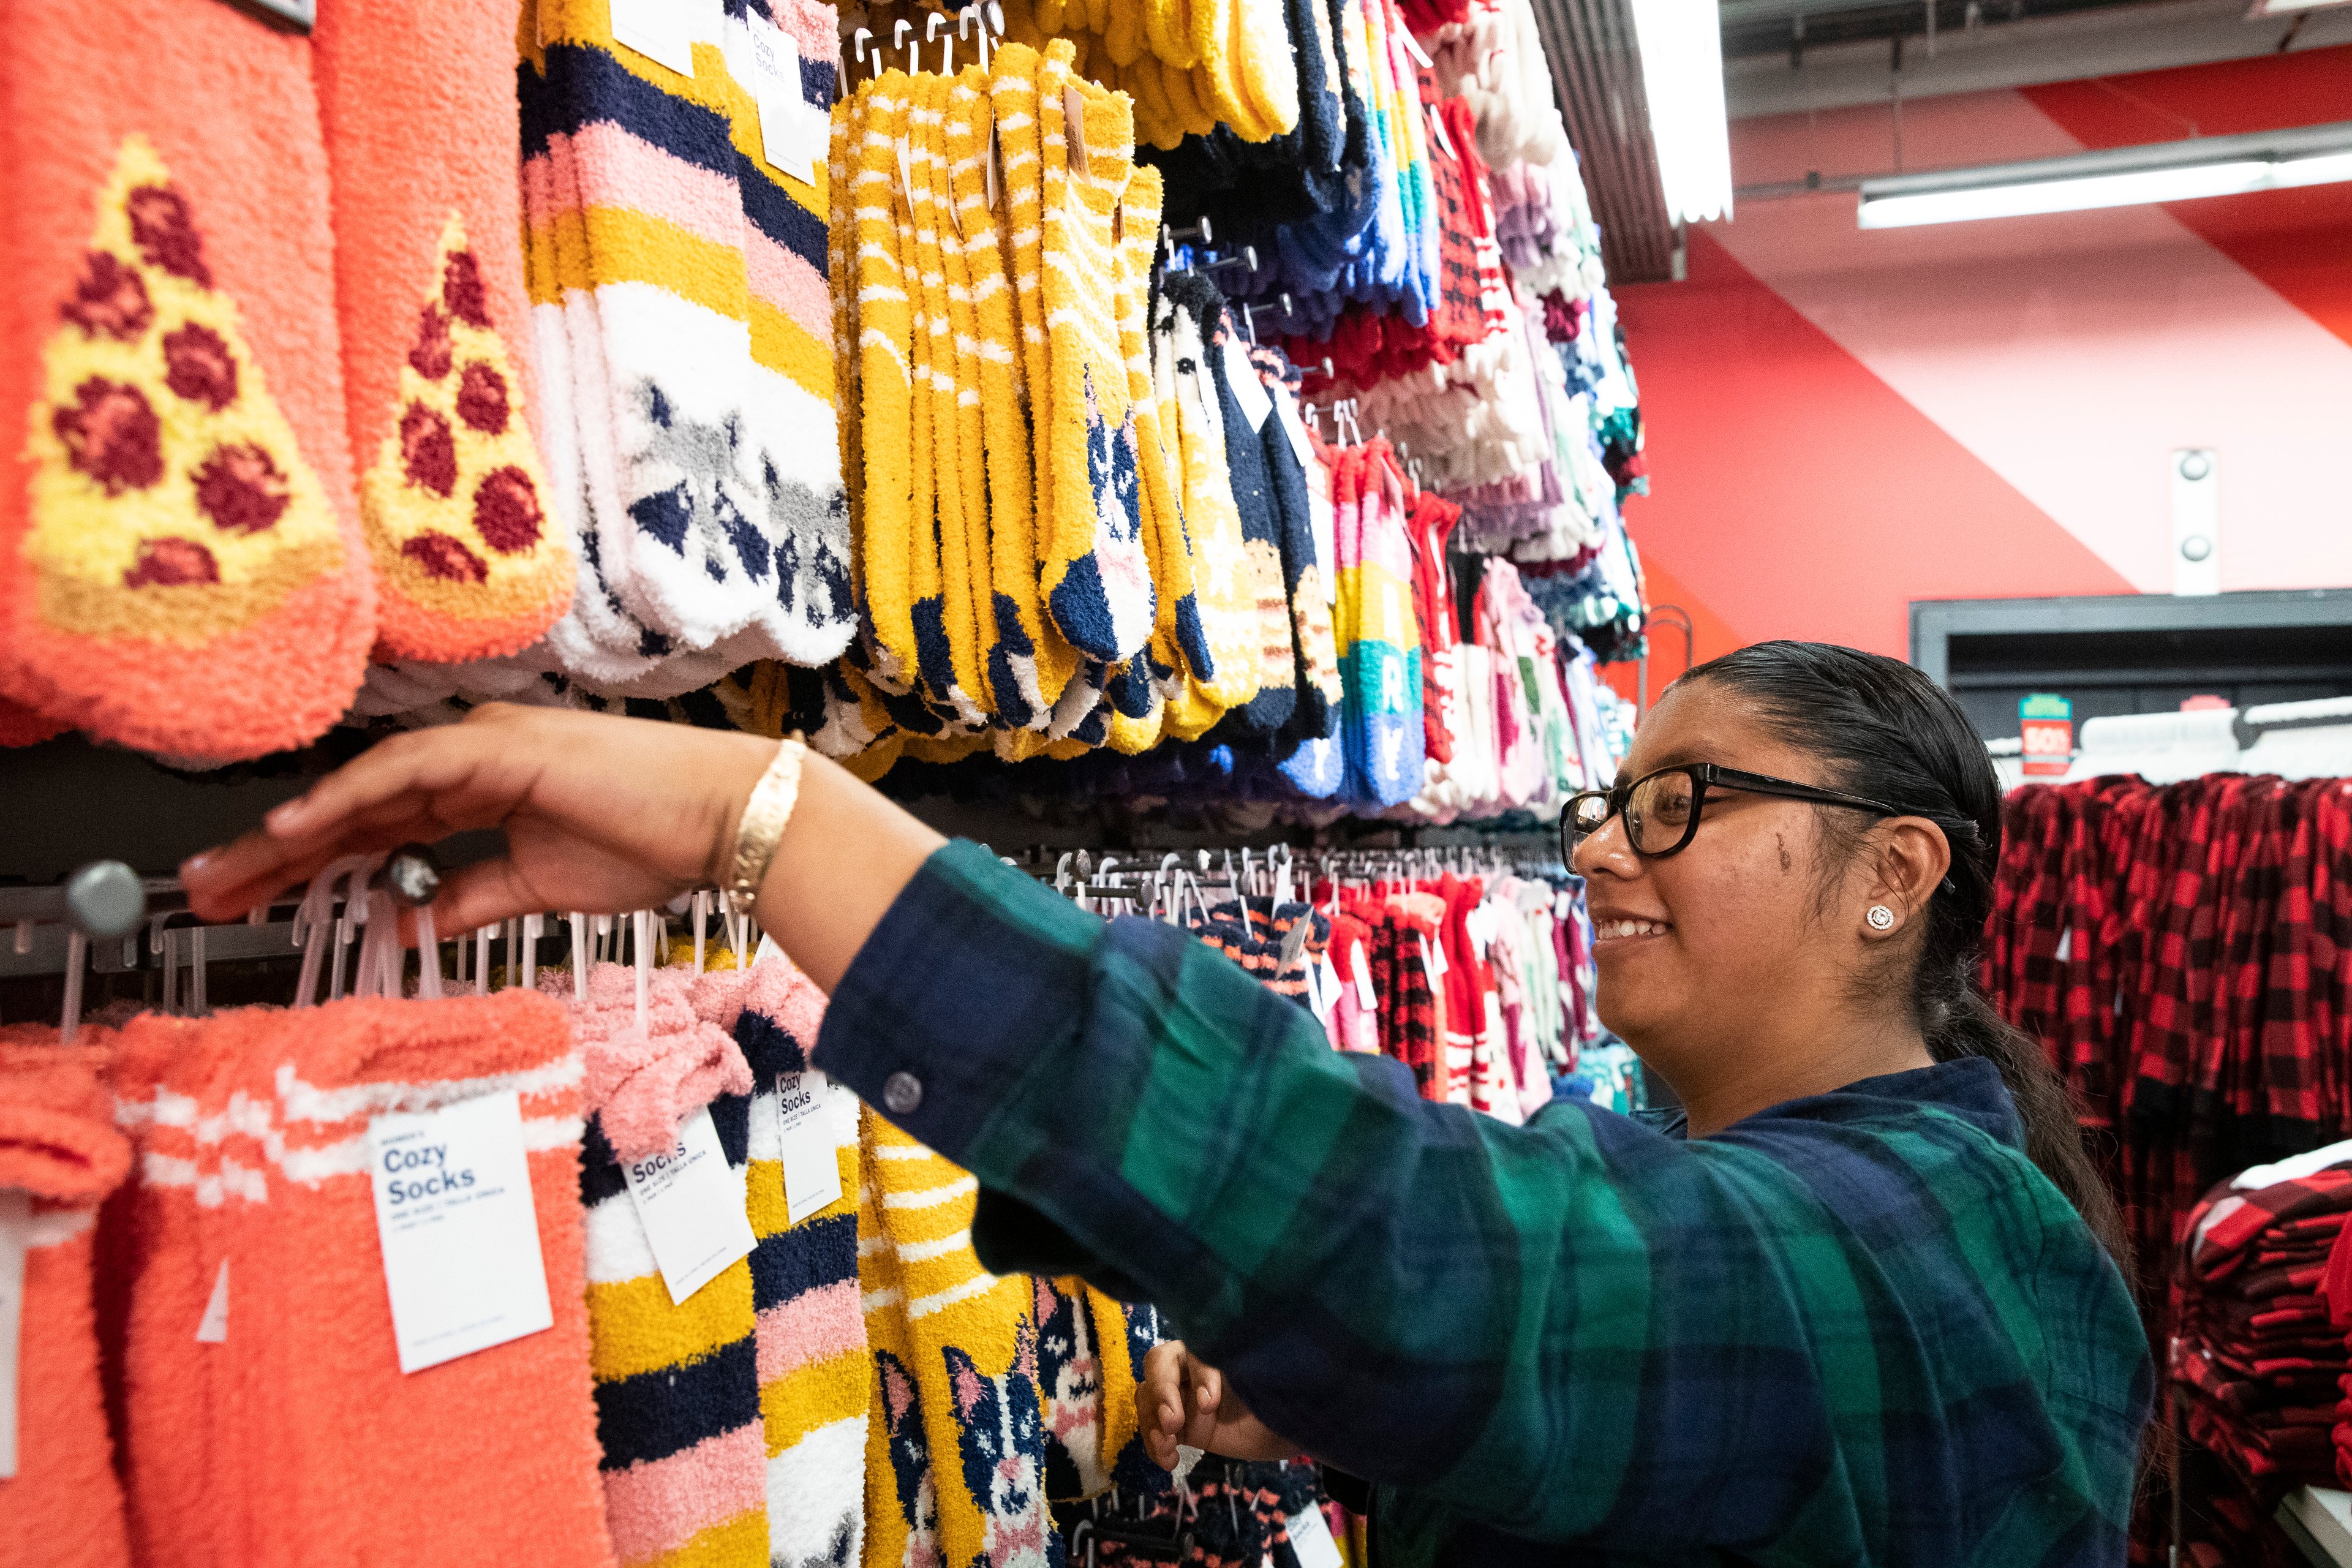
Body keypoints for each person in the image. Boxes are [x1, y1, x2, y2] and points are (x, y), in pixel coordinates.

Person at [181, 641, 2152, 1566]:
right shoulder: (1841, 1206)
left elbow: (1475, 1256)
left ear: (1894, 876)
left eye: (1679, 808)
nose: (1600, 857)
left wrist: (753, 814)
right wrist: (1367, 1405)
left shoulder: (1933, 1259)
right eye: (1602, 803)